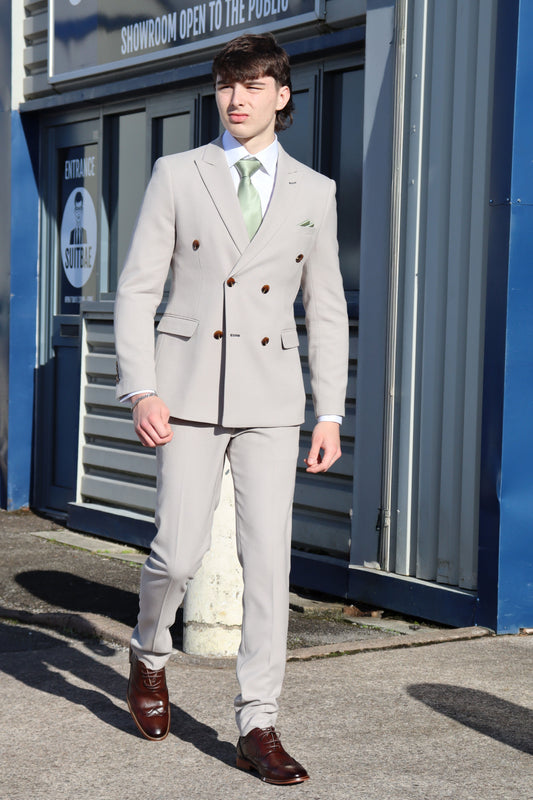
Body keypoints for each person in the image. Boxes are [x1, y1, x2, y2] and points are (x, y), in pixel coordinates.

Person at [114, 33, 349, 785]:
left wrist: (329, 412)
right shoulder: (178, 173)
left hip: (273, 400)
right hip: (183, 393)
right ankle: (150, 655)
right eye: (225, 85)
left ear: (282, 95)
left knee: (267, 564)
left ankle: (258, 723)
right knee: (175, 554)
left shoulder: (315, 192)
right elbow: (138, 288)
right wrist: (141, 386)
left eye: (251, 84)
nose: (236, 98)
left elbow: (328, 308)